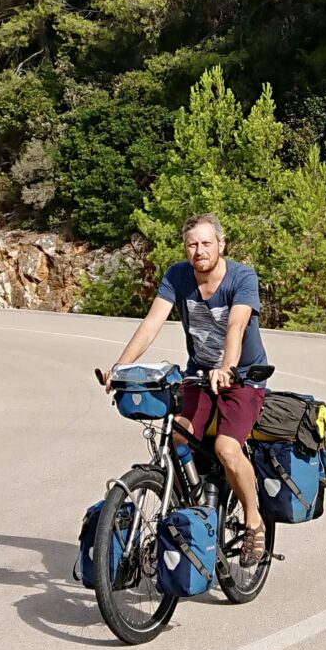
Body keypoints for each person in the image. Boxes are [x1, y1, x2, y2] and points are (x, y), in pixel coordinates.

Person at [101, 213, 270, 563]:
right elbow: (152, 322)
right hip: (199, 375)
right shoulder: (178, 275)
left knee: (226, 448)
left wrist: (227, 368)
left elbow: (236, 326)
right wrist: (121, 365)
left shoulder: (242, 277)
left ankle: (254, 521)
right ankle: (194, 507)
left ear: (221, 245)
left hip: (242, 378)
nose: (199, 250)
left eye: (206, 243)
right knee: (178, 435)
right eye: (192, 244)